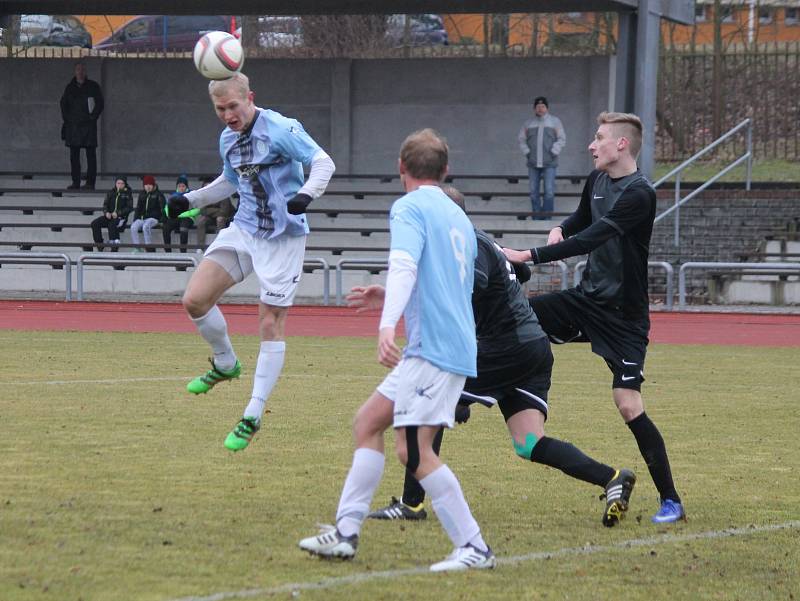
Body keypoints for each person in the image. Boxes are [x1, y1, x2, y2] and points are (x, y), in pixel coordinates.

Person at [358, 185, 636, 529]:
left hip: (506, 346)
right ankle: (611, 478)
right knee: (529, 443)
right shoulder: (480, 241)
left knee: (427, 397)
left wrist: (455, 393)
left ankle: (412, 504)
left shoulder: (466, 245)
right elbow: (521, 273)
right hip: (532, 347)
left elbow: (465, 290)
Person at [299, 130, 494, 572]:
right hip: (448, 343)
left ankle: (474, 546)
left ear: (400, 168)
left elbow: (406, 262)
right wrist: (387, 295)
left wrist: (387, 324)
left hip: (435, 348)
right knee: (369, 423)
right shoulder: (457, 214)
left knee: (415, 452)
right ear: (446, 172)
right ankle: (346, 532)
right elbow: (444, 280)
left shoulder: (408, 206)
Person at [503, 111, 685, 524]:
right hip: (586, 300)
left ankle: (671, 500)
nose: (591, 144)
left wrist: (530, 254)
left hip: (624, 318)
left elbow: (595, 235)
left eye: (599, 137)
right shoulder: (597, 180)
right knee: (514, 316)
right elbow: (582, 222)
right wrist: (560, 229)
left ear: (621, 144)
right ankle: (479, 394)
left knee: (627, 404)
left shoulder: (640, 194)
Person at [163, 72, 335, 451]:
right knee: (194, 299)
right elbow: (230, 182)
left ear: (250, 98)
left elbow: (323, 162)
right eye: (220, 109)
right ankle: (225, 363)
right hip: (245, 229)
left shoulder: (281, 129)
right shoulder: (228, 138)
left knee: (269, 323)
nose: (227, 115)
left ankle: (252, 415)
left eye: (233, 106)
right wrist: (189, 201)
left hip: (284, 238)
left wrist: (306, 195)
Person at [517, 96, 565, 219]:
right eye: (538, 107)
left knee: (549, 192)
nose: (540, 109)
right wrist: (527, 152)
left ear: (547, 108)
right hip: (533, 163)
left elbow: (562, 138)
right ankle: (537, 217)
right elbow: (521, 140)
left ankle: (547, 216)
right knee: (533, 192)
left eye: (543, 106)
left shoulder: (555, 122)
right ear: (534, 109)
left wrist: (554, 152)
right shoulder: (528, 123)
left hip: (550, 163)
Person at [60, 62, 104, 190]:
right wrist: (68, 120)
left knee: (91, 155)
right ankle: (76, 182)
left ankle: (90, 183)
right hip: (73, 127)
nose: (80, 72)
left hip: (89, 126)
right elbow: (63, 105)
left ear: (85, 72)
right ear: (75, 71)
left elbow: (100, 104)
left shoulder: (93, 86)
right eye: (78, 69)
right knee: (74, 156)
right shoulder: (69, 88)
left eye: (82, 69)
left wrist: (92, 117)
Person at [90, 176, 133, 251]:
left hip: (121, 218)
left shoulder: (128, 194)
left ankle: (114, 246)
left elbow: (129, 207)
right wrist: (106, 213)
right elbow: (105, 205)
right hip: (109, 217)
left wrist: (118, 213)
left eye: (122, 183)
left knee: (112, 224)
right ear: (115, 183)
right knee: (95, 223)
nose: (120, 185)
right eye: (118, 183)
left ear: (125, 184)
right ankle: (99, 244)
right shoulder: (111, 192)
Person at [194, 175, 236, 249]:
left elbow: (224, 212)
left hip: (227, 217)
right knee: (201, 220)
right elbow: (202, 211)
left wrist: (209, 211)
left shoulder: (222, 194)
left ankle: (221, 245)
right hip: (212, 217)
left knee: (220, 219)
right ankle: (200, 247)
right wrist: (216, 211)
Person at [130, 175, 165, 252]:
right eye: (146, 185)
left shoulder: (159, 195)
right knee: (133, 227)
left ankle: (148, 246)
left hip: (154, 218)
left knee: (146, 226)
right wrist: (135, 219)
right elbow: (138, 208)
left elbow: (163, 209)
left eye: (150, 184)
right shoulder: (142, 194)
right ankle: (137, 247)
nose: (148, 186)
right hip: (143, 218)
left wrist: (162, 220)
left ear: (153, 185)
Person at [162, 175, 193, 253]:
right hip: (176, 217)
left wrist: (183, 214)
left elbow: (196, 210)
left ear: (186, 187)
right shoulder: (173, 196)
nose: (181, 188)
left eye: (183, 186)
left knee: (183, 228)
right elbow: (167, 208)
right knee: (165, 228)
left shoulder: (191, 195)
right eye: (179, 186)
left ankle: (183, 252)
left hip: (188, 217)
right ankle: (168, 252)